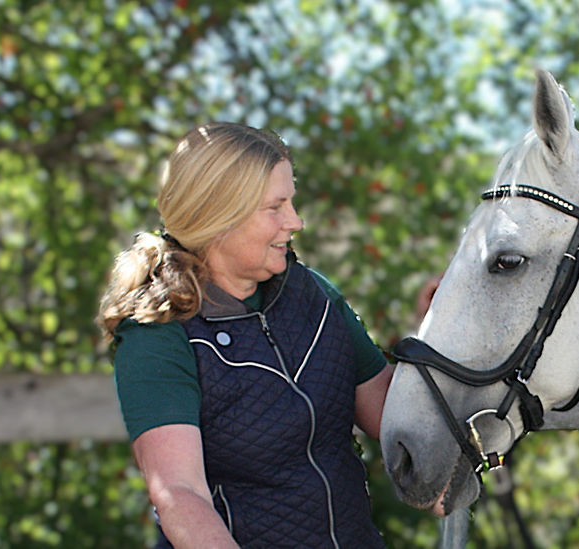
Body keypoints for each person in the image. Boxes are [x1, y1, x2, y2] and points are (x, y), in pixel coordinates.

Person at [97, 122, 392, 548]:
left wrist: (447, 327)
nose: (296, 221)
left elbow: (392, 414)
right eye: (276, 207)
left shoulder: (313, 295)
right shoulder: (157, 334)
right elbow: (180, 496)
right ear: (220, 217)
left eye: (292, 201)